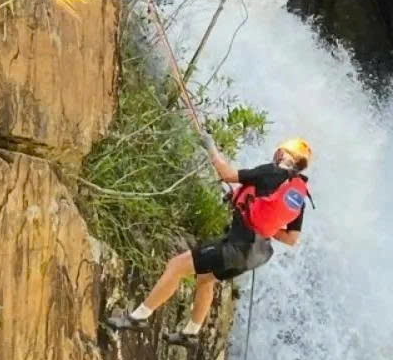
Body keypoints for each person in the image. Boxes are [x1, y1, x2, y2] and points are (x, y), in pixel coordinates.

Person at [108, 137, 312, 345]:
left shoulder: (272, 172)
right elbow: (291, 238)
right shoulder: (297, 196)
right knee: (205, 279)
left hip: (237, 246)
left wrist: (211, 148)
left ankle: (138, 318)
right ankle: (190, 333)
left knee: (176, 265)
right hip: (255, 255)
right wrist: (252, 214)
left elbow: (228, 175)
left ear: (283, 155)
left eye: (279, 152)